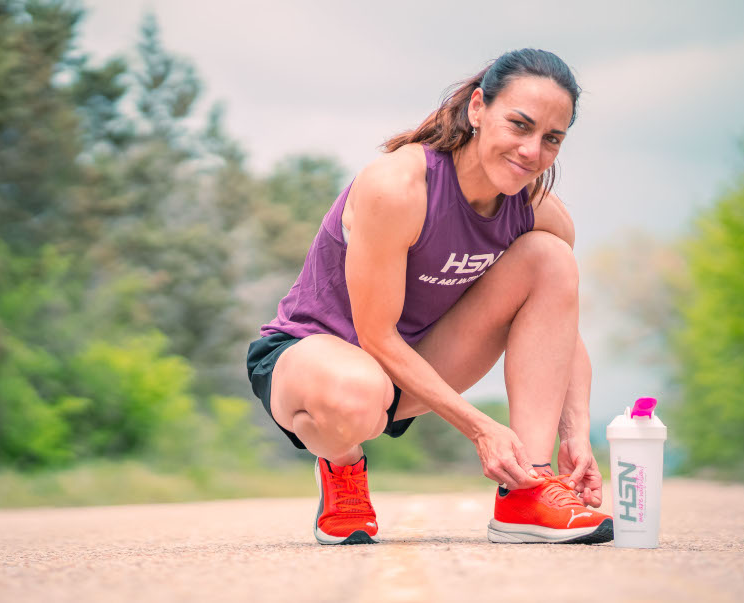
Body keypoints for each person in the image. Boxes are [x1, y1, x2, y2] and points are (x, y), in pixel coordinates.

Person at [246, 48, 611, 546]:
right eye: (519, 126)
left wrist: (576, 431)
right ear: (478, 108)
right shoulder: (398, 185)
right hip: (316, 361)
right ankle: (343, 468)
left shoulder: (540, 213)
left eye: (552, 139)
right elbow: (375, 336)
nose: (532, 151)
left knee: (551, 259)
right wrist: (482, 428)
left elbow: (559, 322)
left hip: (416, 366)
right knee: (358, 393)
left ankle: (529, 487)